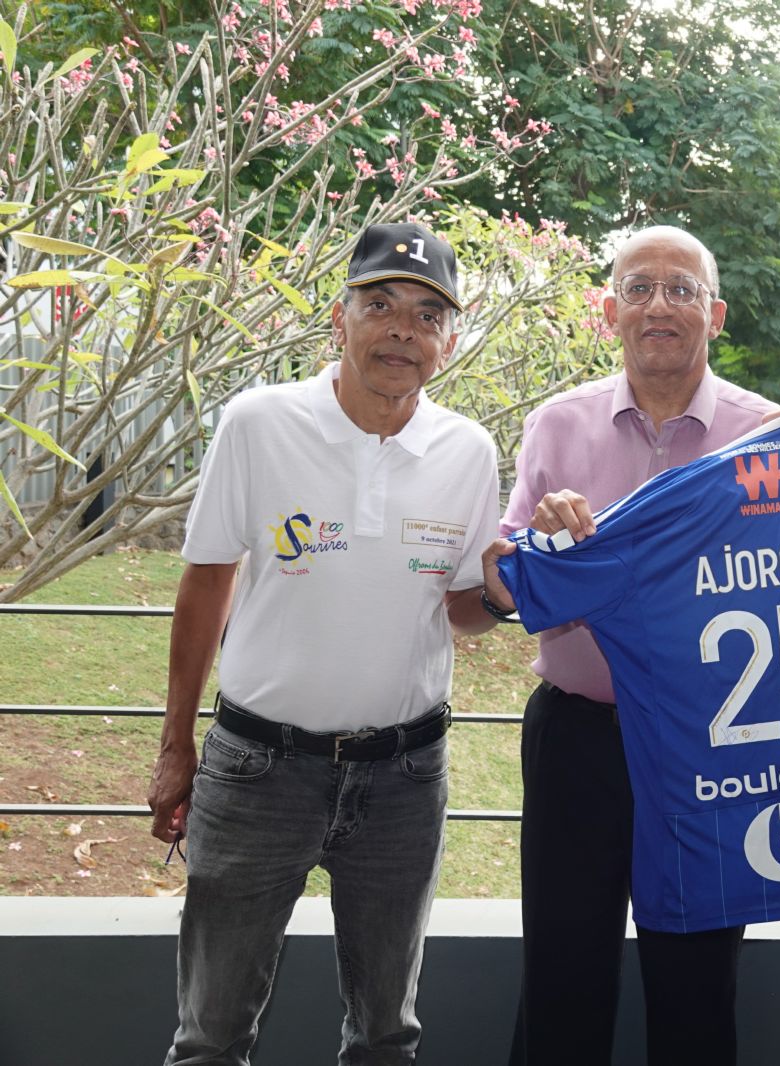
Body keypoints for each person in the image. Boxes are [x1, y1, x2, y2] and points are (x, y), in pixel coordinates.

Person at [145, 221, 503, 1064]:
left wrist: (502, 592)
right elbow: (204, 582)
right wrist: (173, 747)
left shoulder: (469, 451)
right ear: (339, 319)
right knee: (210, 1034)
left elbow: (461, 611)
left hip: (405, 778)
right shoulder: (259, 423)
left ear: (448, 341)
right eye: (379, 304)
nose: (401, 331)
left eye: (426, 315)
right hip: (258, 770)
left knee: (386, 1035)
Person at [486, 226, 777, 1066]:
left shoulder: (768, 438)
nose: (660, 303)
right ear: (609, 310)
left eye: (682, 288)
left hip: (709, 745)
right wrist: (536, 553)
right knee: (561, 977)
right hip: (578, 738)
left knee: (696, 983)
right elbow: (502, 588)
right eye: (639, 286)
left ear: (714, 315)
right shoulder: (557, 425)